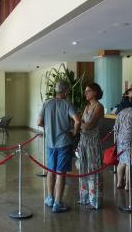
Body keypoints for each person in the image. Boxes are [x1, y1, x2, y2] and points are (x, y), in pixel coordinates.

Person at [38, 80, 81, 213]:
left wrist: (50, 127)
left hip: (50, 143)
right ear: (66, 91)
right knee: (61, 173)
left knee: (51, 170)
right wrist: (74, 131)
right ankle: (58, 203)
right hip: (63, 142)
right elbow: (77, 121)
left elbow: (39, 122)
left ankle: (50, 198)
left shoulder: (47, 103)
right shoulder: (67, 104)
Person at [78, 83, 105, 209]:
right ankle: (84, 197)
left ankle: (95, 200)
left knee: (93, 170)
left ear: (95, 92)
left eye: (88, 91)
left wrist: (80, 123)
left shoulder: (98, 107)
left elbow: (90, 125)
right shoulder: (87, 106)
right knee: (83, 168)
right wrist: (81, 123)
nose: (86, 93)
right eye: (85, 91)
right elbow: (83, 124)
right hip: (83, 141)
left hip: (93, 143)